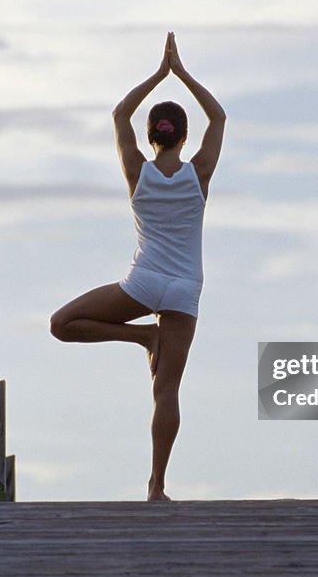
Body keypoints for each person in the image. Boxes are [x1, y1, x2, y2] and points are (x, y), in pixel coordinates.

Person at [50, 32, 226, 502]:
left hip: (143, 284)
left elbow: (119, 114)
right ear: (184, 136)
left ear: (150, 135)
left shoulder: (137, 171)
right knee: (166, 389)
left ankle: (140, 336)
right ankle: (156, 487)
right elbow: (220, 116)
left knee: (61, 324)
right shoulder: (199, 173)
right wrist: (182, 72)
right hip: (186, 291)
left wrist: (158, 74)